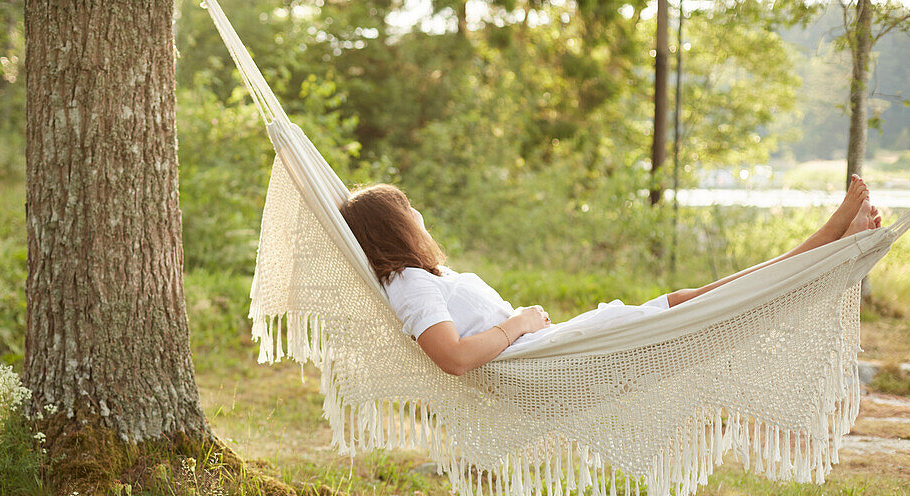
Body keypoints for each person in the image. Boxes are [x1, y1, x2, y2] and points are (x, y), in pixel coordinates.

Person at [339, 177, 883, 376]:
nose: (419, 216)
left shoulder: (417, 280)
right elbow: (453, 359)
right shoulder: (410, 284)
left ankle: (832, 241)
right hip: (560, 356)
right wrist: (520, 323)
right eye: (409, 209)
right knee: (701, 304)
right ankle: (832, 238)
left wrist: (525, 327)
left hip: (565, 348)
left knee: (699, 303)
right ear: (395, 226)